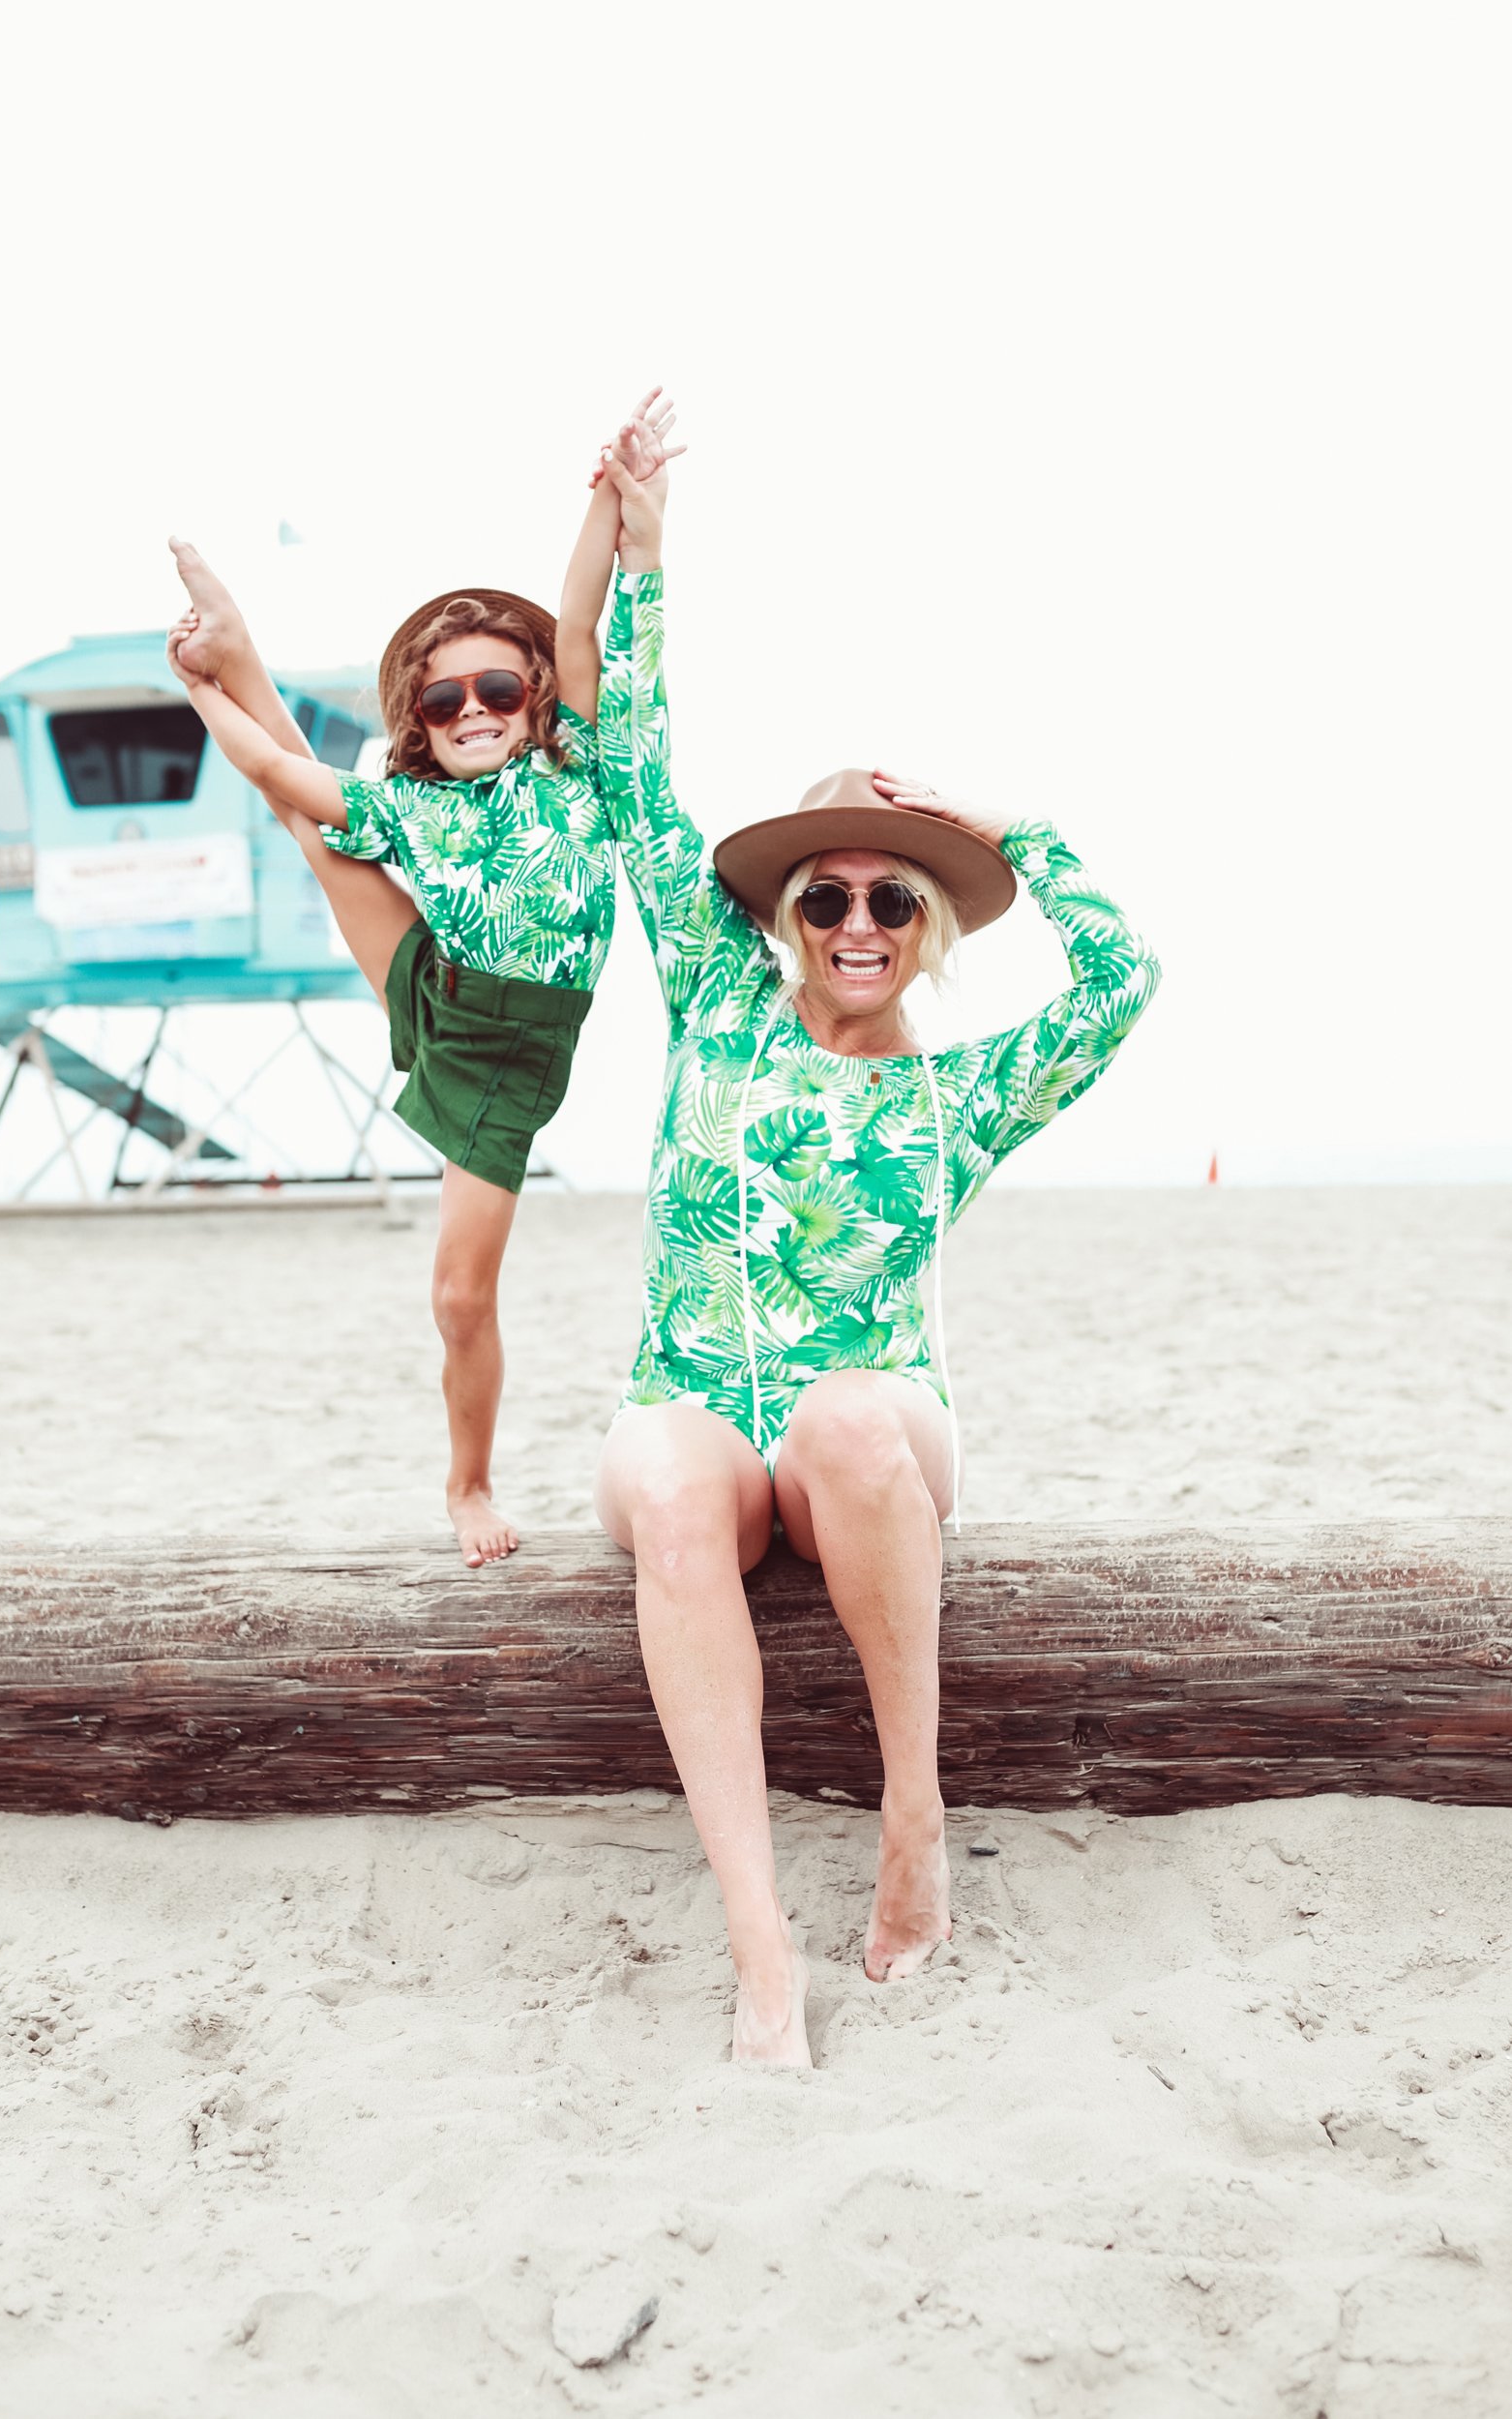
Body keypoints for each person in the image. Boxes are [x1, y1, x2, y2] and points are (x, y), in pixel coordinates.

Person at [591, 452, 1161, 2066]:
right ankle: (762, 1952)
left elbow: (1125, 975)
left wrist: (1002, 828)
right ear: (783, 917)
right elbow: (634, 774)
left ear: (927, 925)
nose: (854, 916)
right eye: (823, 892)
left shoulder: (962, 1088)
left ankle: (915, 1820)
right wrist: (645, 556)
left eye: (890, 897)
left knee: (842, 1414)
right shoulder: (713, 1003)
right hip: (685, 1396)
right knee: (686, 1489)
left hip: (879, 1414)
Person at [163, 394, 683, 1568]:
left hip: (511, 1047)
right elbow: (272, 771)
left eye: (497, 690)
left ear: (533, 698)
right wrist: (204, 692)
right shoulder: (412, 805)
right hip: (439, 985)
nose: (474, 713)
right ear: (421, 720)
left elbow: (580, 623)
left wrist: (612, 493)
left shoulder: (576, 769)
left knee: (458, 1297)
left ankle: (470, 1482)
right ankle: (238, 648)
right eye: (446, 700)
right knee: (314, 824)